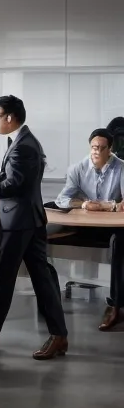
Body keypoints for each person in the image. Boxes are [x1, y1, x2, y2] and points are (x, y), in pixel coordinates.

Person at [0, 95, 70, 360]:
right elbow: (16, 177)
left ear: (9, 117)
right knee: (38, 278)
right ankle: (56, 336)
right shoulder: (23, 142)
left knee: (7, 277)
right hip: (28, 219)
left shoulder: (23, 146)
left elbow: (17, 184)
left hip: (20, 221)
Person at [54, 128, 124, 332]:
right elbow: (62, 199)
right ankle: (48, 298)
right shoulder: (78, 169)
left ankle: (116, 305)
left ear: (110, 150)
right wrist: (83, 205)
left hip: (112, 228)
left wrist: (105, 206)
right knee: (44, 233)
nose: (96, 152)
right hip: (86, 226)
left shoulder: (121, 168)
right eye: (94, 147)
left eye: (102, 149)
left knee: (119, 242)